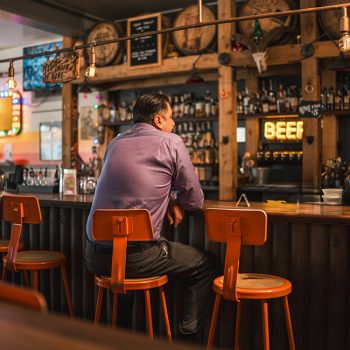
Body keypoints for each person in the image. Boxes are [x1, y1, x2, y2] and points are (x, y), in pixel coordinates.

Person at [85, 93, 215, 340]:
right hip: (137, 258)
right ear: (158, 120)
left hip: (94, 255)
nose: (174, 123)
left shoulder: (115, 143)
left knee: (123, 265)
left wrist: (166, 199)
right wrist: (173, 200)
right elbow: (196, 200)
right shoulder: (171, 142)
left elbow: (130, 186)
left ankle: (119, 337)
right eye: (171, 117)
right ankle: (185, 339)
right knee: (205, 264)